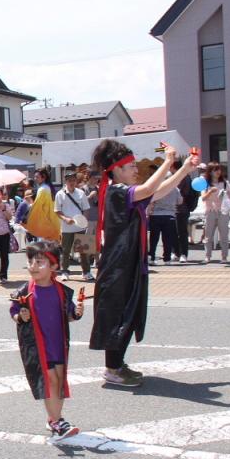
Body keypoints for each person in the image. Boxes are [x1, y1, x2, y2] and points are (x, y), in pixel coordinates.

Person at [90, 140, 199, 387]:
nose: (135, 169)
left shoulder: (126, 192)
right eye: (130, 166)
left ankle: (116, 365)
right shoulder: (117, 191)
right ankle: (113, 369)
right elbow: (150, 188)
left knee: (130, 313)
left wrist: (183, 171)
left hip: (129, 264)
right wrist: (168, 160)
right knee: (120, 315)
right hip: (119, 267)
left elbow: (157, 191)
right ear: (116, 169)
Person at [9, 241, 85, 441]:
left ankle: (55, 418)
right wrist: (21, 317)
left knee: (59, 381)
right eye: (30, 261)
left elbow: (68, 315)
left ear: (54, 267)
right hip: (38, 346)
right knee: (50, 380)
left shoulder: (62, 291)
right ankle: (56, 421)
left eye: (39, 262)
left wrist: (76, 314)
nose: (33, 266)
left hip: (58, 344)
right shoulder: (23, 292)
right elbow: (14, 313)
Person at [55, 173, 93, 281]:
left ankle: (86, 272)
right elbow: (57, 211)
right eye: (69, 180)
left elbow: (86, 209)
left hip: (80, 227)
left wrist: (84, 221)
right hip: (66, 228)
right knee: (65, 251)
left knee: (83, 251)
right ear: (65, 181)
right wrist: (65, 219)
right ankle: (65, 272)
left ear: (76, 181)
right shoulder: (60, 194)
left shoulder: (81, 193)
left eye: (73, 180)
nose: (71, 182)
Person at [201, 162, 230, 263]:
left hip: (223, 211)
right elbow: (203, 198)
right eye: (215, 170)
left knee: (224, 235)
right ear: (210, 172)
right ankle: (207, 256)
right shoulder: (205, 183)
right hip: (210, 211)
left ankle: (224, 257)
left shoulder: (224, 182)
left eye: (219, 169)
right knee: (208, 235)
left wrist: (225, 194)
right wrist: (210, 191)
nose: (218, 172)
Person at [148, 175, 180, 266]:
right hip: (169, 215)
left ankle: (151, 257)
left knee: (154, 238)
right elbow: (180, 201)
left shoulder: (157, 188)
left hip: (155, 215)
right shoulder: (175, 189)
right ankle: (167, 259)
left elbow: (151, 200)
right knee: (167, 238)